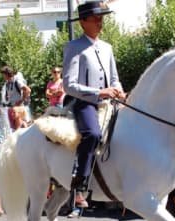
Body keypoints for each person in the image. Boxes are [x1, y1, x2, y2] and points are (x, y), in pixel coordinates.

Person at [63, 0, 125, 208]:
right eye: (96, 19)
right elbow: (69, 85)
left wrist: (119, 91)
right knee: (93, 134)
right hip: (85, 103)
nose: (100, 23)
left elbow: (114, 78)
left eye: (101, 19)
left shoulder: (107, 47)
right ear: (82, 22)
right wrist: (99, 92)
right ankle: (80, 185)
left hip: (110, 102)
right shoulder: (74, 47)